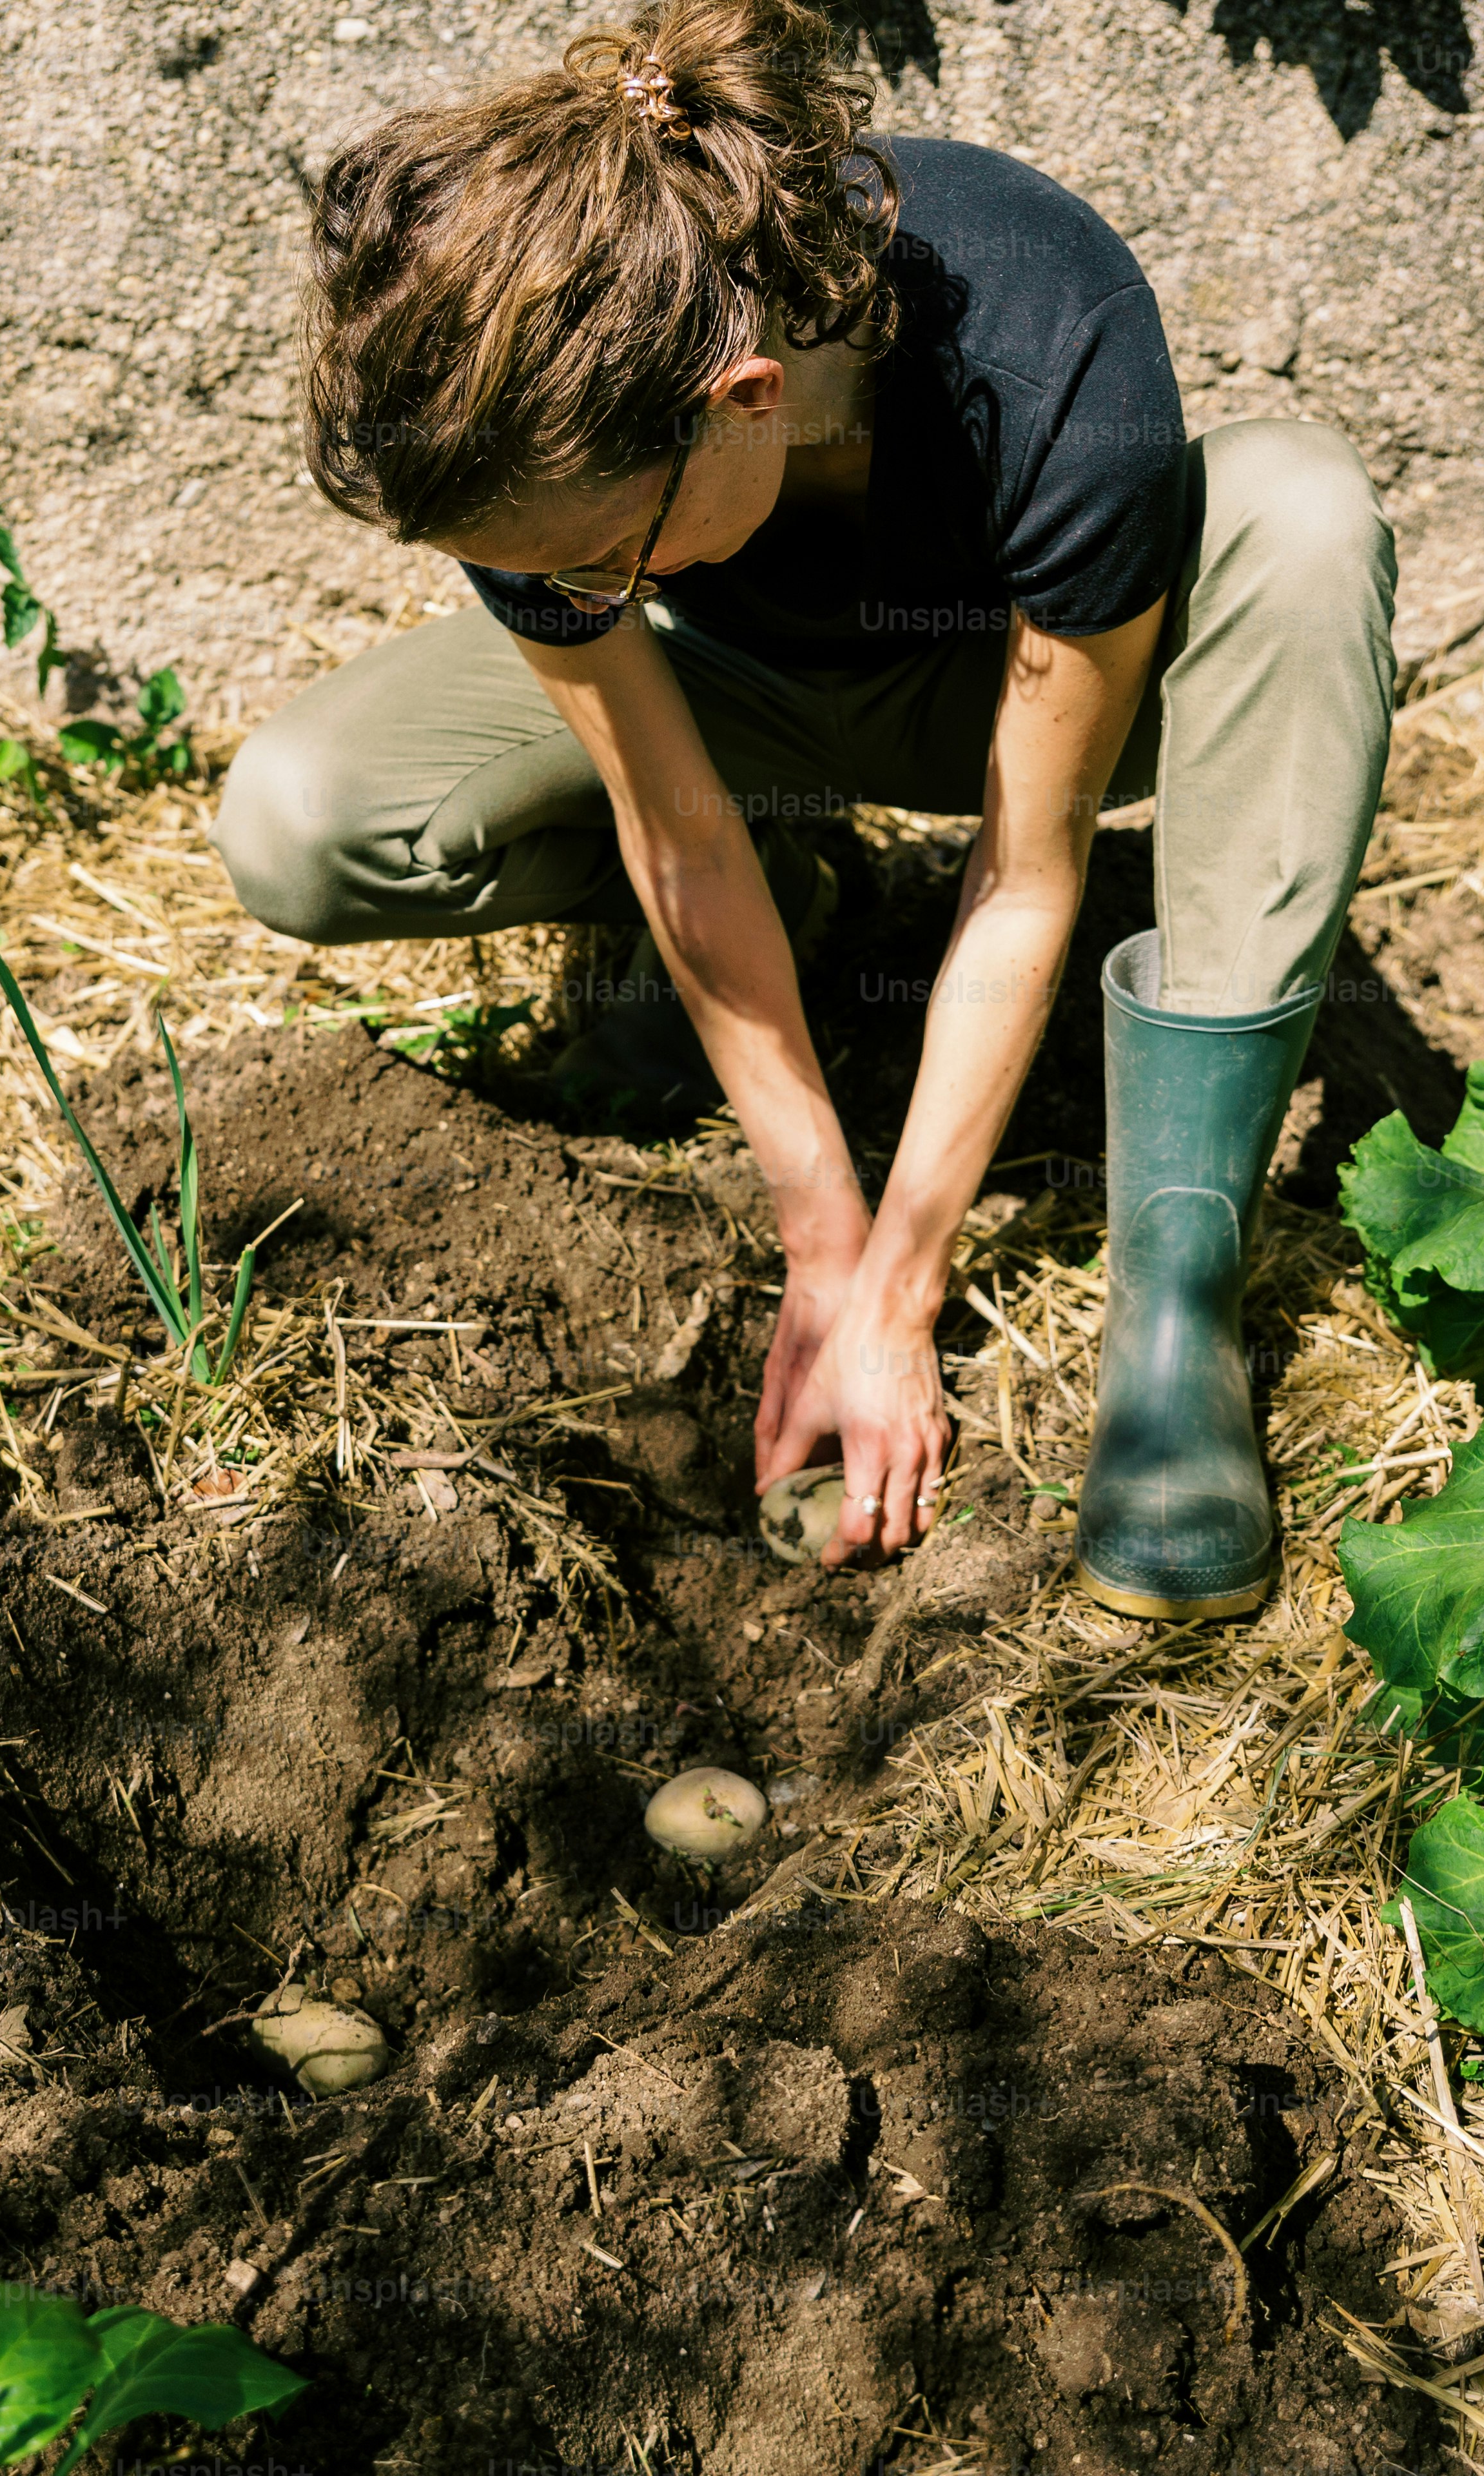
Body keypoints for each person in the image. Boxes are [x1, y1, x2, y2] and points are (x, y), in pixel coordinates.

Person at [209, 0, 1394, 1620]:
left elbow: (1028, 872)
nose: (556, 592)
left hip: (1012, 704)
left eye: (587, 561)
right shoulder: (528, 408)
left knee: (1303, 514)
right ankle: (808, 879)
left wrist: (911, 1280)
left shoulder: (1042, 333)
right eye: (529, 568)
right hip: (736, 709)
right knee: (298, 816)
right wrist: (825, 1236)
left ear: (744, 395)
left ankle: (1178, 1294)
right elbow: (677, 827)